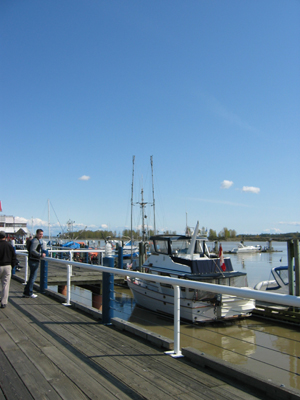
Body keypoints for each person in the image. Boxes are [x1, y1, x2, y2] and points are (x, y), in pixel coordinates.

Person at [23, 229, 46, 298]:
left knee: (31, 277)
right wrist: (40, 255)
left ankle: (26, 292)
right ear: (37, 234)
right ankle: (29, 292)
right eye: (40, 234)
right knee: (33, 277)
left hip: (32, 259)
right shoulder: (35, 241)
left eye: (42, 234)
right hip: (34, 260)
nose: (41, 235)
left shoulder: (36, 240)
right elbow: (32, 250)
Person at [0, 231, 17, 308]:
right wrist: (11, 266)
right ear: (5, 237)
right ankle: (4, 302)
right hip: (7, 266)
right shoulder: (9, 245)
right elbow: (14, 257)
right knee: (5, 285)